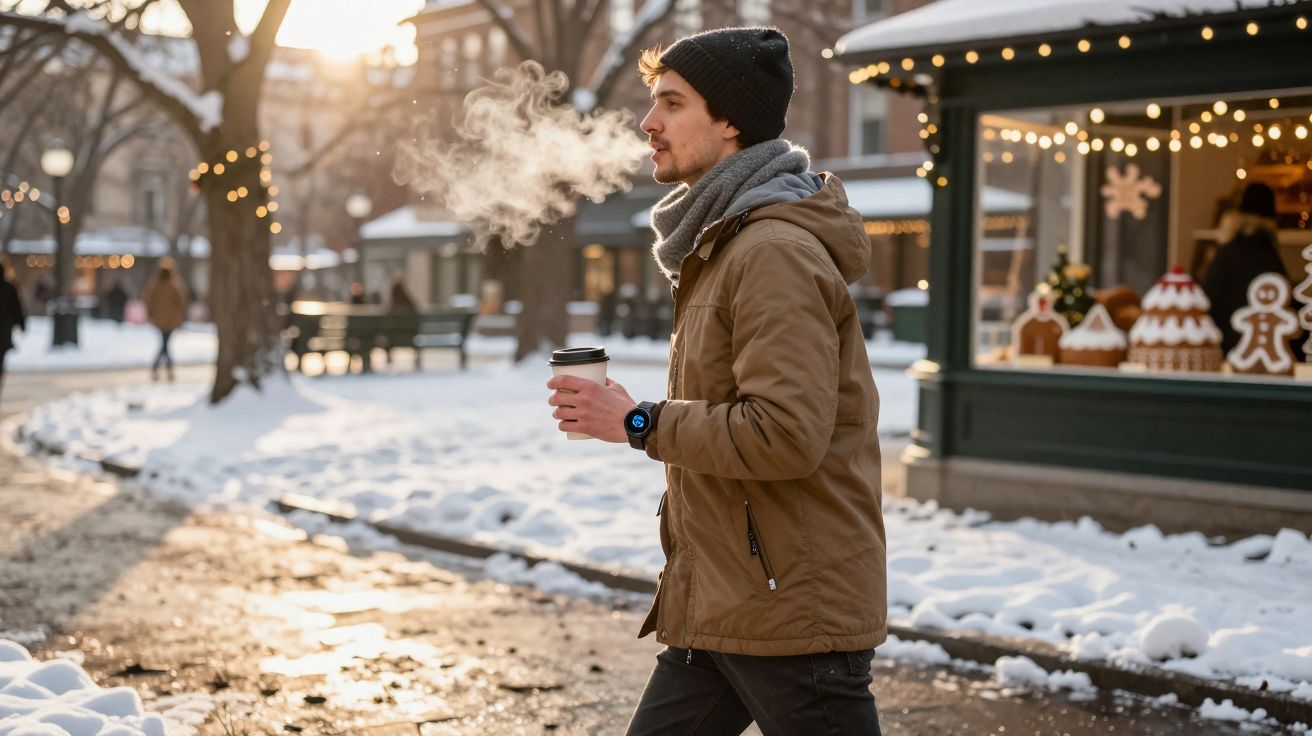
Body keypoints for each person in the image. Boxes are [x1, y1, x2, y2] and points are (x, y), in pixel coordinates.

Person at [546, 27, 886, 735]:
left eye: (671, 103)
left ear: (731, 121)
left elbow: (785, 435)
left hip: (792, 614)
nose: (648, 122)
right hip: (723, 606)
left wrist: (639, 422)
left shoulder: (772, 252)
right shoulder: (722, 245)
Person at [1203, 182, 1293, 354]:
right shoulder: (1269, 255)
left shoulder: (1226, 252)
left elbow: (1209, 295)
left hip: (1224, 347)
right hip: (1259, 349)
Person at [145, 258, 189, 382]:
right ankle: (167, 369)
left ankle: (158, 367)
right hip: (171, 320)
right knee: (165, 344)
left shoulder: (155, 285)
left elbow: (148, 300)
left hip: (159, 319)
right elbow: (181, 302)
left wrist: (151, 314)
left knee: (164, 344)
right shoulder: (175, 284)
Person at [0, 263, 26, 404]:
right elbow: (17, 309)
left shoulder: (10, 288)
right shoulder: (9, 288)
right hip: (3, 334)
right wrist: (22, 325)